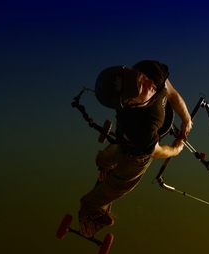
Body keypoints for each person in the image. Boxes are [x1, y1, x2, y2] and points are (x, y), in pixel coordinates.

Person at [78, 60, 193, 237]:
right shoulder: (140, 128)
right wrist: (175, 149)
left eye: (139, 77)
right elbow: (156, 151)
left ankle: (102, 160)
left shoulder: (150, 70)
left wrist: (186, 120)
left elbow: (171, 92)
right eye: (140, 88)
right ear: (130, 103)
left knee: (116, 148)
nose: (150, 83)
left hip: (124, 138)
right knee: (121, 183)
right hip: (136, 153)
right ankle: (89, 207)